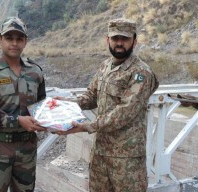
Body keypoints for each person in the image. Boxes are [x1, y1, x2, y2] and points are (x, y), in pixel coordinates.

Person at [55, 18, 159, 192]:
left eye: (124, 39)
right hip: (100, 154)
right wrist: (67, 103)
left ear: (134, 41)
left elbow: (125, 111)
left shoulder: (141, 72)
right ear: (107, 40)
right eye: (115, 38)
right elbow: (91, 96)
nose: (119, 43)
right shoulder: (105, 66)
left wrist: (86, 126)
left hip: (126, 159)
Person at [0, 17, 47, 192]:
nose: (14, 43)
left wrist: (50, 120)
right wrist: (18, 121)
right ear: (0, 40)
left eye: (19, 39)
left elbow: (42, 107)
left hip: (27, 149)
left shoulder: (35, 72)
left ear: (25, 41)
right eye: (9, 38)